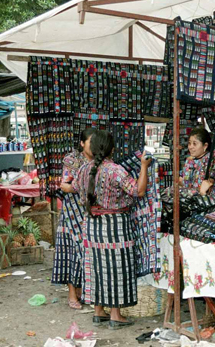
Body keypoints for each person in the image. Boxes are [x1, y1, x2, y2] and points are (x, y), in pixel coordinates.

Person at [69, 130, 152, 330]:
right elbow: (137, 190)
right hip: (115, 225)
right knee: (117, 268)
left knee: (97, 267)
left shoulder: (83, 170)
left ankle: (99, 311)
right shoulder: (114, 170)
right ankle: (116, 315)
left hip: (91, 225)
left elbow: (75, 189)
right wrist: (144, 166)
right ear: (111, 149)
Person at [53, 127, 97, 310]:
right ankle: (72, 294)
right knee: (72, 252)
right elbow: (64, 185)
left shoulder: (98, 160)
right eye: (90, 142)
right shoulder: (72, 160)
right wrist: (84, 188)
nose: (93, 145)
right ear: (82, 144)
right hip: (72, 212)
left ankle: (84, 291)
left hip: (89, 212)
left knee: (87, 252)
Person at [181, 127, 212, 194]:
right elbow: (183, 181)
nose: (190, 147)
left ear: (205, 146)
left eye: (194, 144)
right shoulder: (189, 160)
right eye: (189, 143)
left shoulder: (211, 162)